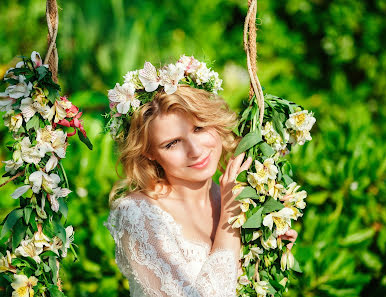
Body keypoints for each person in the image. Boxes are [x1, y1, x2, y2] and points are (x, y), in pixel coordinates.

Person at [104, 57, 297, 297]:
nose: (195, 151)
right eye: (172, 143)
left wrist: (268, 251)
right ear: (149, 153)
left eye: (199, 128)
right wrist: (230, 219)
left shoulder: (239, 195)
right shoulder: (138, 214)